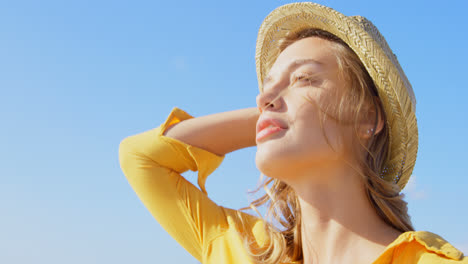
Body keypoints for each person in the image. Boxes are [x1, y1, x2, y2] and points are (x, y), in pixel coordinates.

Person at [118, 2, 467, 263]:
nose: (263, 98)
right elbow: (140, 157)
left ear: (368, 117)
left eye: (304, 78)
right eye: (266, 88)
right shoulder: (247, 250)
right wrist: (274, 114)